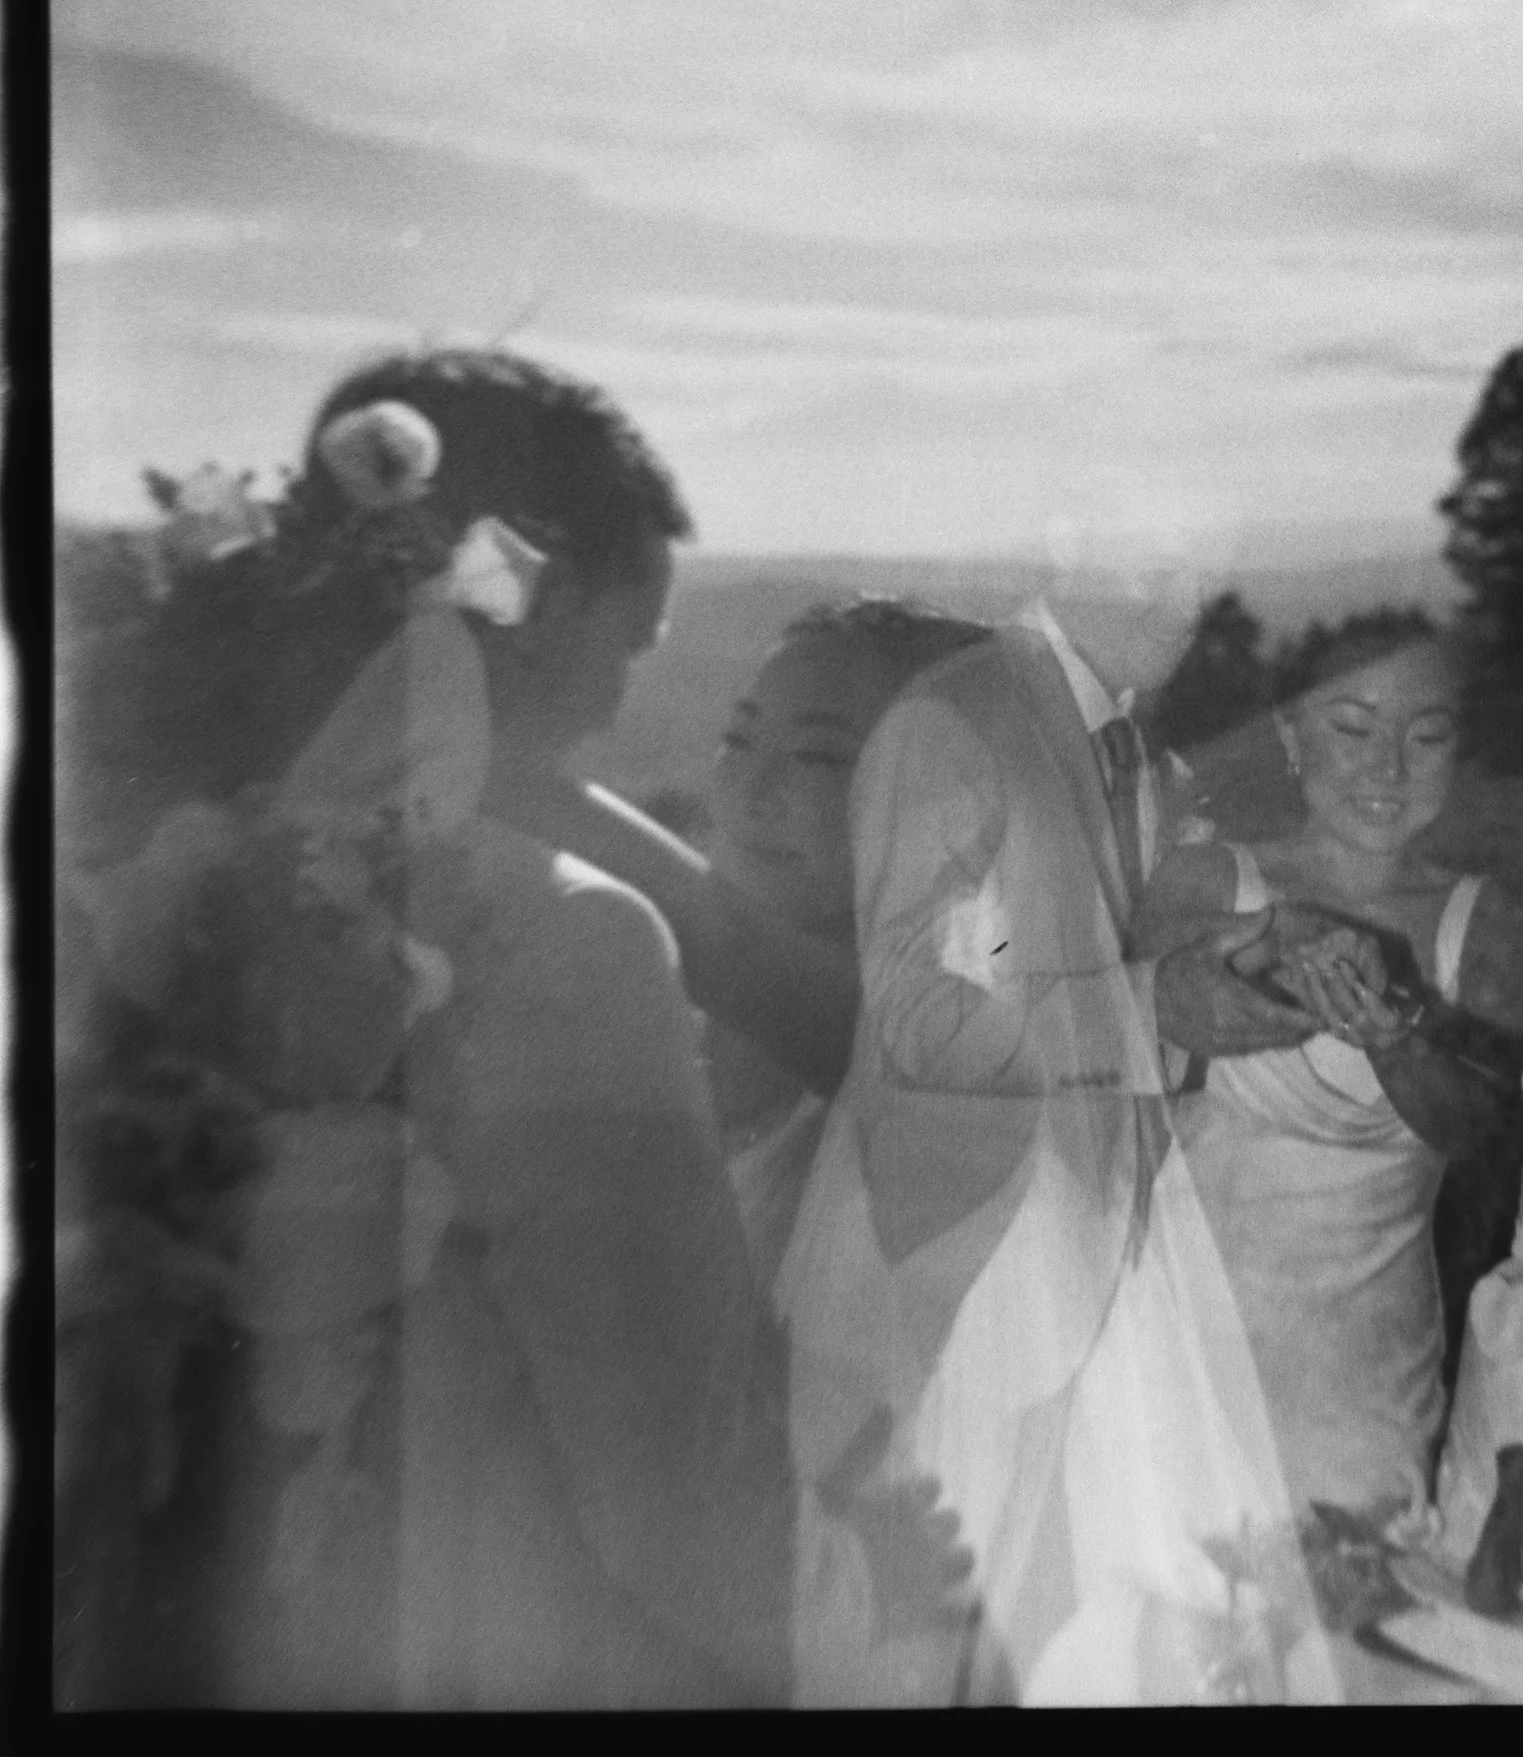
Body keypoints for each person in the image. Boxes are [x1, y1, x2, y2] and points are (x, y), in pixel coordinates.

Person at [128, 348, 798, 1707]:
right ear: (526, 607)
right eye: (629, 638)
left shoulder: (150, 883)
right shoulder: (574, 938)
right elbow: (671, 1480)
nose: (626, 691)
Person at [777, 497, 1346, 1704]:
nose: (1187, 599)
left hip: (1104, 1227)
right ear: (1071, 532)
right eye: (1157, 554)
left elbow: (1083, 953)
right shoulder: (952, 722)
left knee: (1106, 1621)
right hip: (963, 1249)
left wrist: (1229, 970)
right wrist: (1151, 1010)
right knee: (927, 1630)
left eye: (1208, 566)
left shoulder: (1138, 751)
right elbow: (914, 1018)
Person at [1142, 619, 1523, 1524]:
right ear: (1289, 734)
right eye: (1352, 728)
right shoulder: (1207, 881)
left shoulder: (1492, 923)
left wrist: (1395, 1037)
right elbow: (1135, 1048)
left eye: (1426, 734)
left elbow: (1482, 1134)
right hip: (1184, 1358)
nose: (1388, 767)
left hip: (1363, 1387)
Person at [486, 599, 991, 1277]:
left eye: (816, 757)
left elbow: (711, 930)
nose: (753, 785)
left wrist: (464, 744)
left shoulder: (940, 1045)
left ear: (943, 803)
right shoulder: (666, 1012)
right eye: (739, 739)